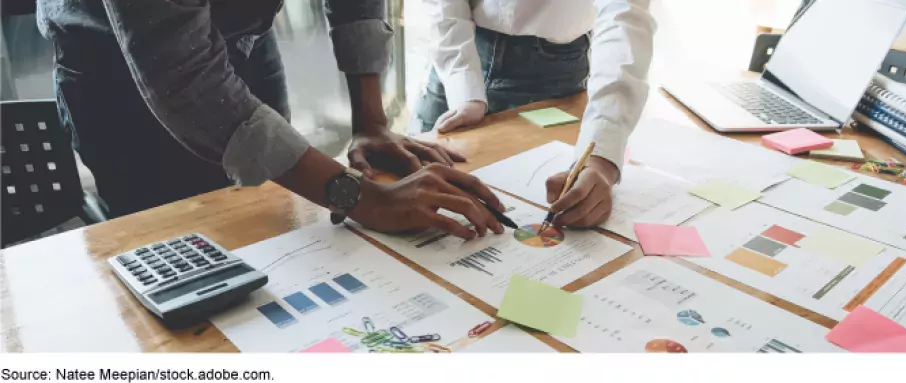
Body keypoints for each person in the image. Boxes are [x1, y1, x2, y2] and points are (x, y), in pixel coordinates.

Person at [37, 0, 504, 239]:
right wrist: (363, 199)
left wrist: (370, 119)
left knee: (273, 227)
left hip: (243, 32)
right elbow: (183, 75)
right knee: (180, 259)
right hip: (118, 65)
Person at [417, 0, 656, 228]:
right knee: (417, 196)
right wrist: (462, 83)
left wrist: (602, 157)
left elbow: (624, 13)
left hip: (557, 70)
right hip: (455, 47)